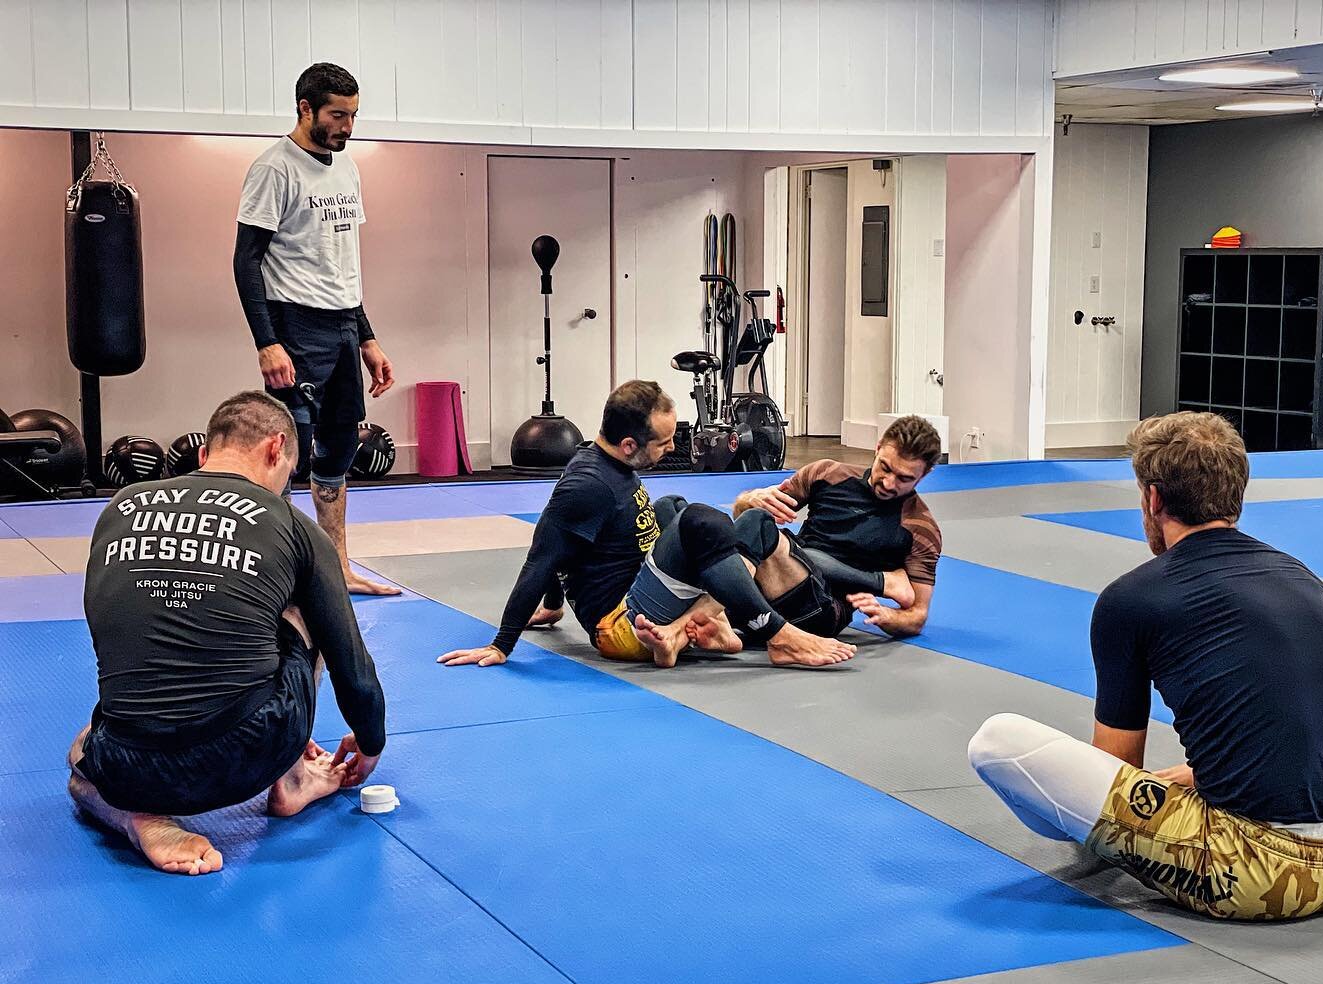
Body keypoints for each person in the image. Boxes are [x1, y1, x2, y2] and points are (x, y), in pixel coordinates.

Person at [968, 411, 1323, 921]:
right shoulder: (1302, 577)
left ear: (1153, 499)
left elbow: (1117, 768)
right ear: (1235, 494)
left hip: (1259, 875)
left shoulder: (1130, 599)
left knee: (997, 742)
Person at [69, 392, 387, 876]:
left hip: (128, 766)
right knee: (305, 601)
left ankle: (134, 816)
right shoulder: (292, 524)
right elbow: (353, 668)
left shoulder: (120, 505)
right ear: (276, 449)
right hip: (249, 755)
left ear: (204, 455)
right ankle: (293, 777)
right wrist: (369, 746)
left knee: (81, 755)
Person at [437, 381, 855, 671]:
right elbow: (543, 554)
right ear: (629, 445)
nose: (673, 448)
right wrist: (501, 643)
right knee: (699, 521)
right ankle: (778, 635)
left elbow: (565, 544)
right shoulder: (588, 485)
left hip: (643, 589)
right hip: (621, 626)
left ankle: (694, 627)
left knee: (699, 511)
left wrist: (552, 605)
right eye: (664, 442)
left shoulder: (607, 461)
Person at [233, 61, 399, 596]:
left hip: (343, 327)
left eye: (352, 115)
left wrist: (367, 337)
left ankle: (336, 569)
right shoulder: (273, 169)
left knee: (337, 449)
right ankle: (275, 582)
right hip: (294, 327)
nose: (347, 126)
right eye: (337, 114)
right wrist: (267, 342)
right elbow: (245, 262)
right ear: (306, 109)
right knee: (286, 452)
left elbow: (343, 262)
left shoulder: (346, 169)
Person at [731, 415, 944, 640]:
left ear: (925, 474)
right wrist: (751, 498)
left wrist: (887, 616)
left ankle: (724, 611)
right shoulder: (828, 474)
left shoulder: (920, 528)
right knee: (710, 526)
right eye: (885, 468)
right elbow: (745, 524)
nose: (889, 483)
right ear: (878, 447)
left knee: (759, 529)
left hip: (823, 608)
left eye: (904, 478)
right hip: (781, 580)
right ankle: (881, 582)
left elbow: (917, 614)